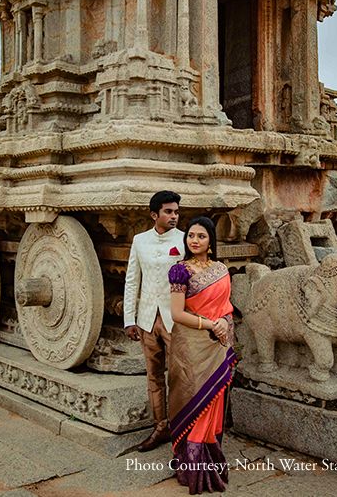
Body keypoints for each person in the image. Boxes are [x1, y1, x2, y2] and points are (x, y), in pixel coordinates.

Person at [168, 216, 236, 494]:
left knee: (213, 401)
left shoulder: (221, 269)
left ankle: (209, 455)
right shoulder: (180, 271)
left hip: (217, 343)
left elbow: (226, 307)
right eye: (191, 236)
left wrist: (223, 322)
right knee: (194, 397)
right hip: (190, 344)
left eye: (201, 236)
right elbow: (177, 313)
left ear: (210, 241)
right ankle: (192, 464)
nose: (194, 241)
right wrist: (211, 324)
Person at [124, 190, 184, 452]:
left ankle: (183, 428)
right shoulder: (139, 241)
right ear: (154, 214)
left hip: (177, 320)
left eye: (176, 212)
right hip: (148, 318)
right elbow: (132, 280)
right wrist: (129, 319)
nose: (174, 216)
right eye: (168, 211)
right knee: (153, 376)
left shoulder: (186, 240)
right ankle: (161, 426)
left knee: (181, 377)